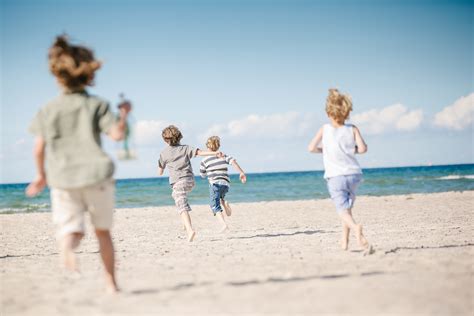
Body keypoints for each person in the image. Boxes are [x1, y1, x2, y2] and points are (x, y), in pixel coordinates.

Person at [25, 35, 130, 293]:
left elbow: (38, 148)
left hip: (63, 179)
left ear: (58, 75)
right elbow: (117, 135)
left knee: (72, 230)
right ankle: (111, 284)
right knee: (103, 232)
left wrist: (41, 175)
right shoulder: (98, 105)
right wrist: (124, 114)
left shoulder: (49, 108)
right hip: (97, 176)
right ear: (89, 74)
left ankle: (67, 250)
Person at [308, 88, 374, 254]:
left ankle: (356, 227)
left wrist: (324, 151)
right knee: (347, 208)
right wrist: (351, 151)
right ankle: (344, 241)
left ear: (328, 112)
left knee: (341, 210)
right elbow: (364, 149)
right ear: (347, 112)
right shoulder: (352, 129)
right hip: (354, 174)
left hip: (335, 176)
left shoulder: (324, 129)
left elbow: (311, 148)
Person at [157, 125, 223, 242]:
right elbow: (200, 152)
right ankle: (185, 222)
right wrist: (215, 153)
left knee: (181, 205)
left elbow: (160, 171)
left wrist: (162, 168)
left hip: (178, 182)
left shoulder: (164, 153)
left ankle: (189, 230)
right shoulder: (186, 148)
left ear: (165, 140)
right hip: (190, 181)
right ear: (179, 137)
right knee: (177, 197)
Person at [199, 136, 247, 232]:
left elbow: (202, 175)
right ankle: (224, 203)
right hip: (225, 184)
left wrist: (207, 173)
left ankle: (223, 225)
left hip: (215, 184)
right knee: (220, 199)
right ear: (218, 146)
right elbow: (233, 162)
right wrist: (241, 172)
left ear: (207, 147)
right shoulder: (223, 156)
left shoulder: (204, 160)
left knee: (214, 205)